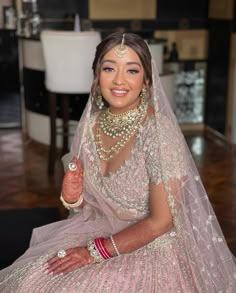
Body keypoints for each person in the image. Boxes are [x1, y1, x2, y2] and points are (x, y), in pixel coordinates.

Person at [0, 32, 235, 292]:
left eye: (132, 70)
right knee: (32, 278)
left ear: (146, 81)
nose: (119, 80)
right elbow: (89, 207)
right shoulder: (91, 124)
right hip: (95, 230)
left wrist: (93, 252)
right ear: (97, 75)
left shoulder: (158, 132)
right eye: (109, 68)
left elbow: (161, 222)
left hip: (151, 246)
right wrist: (72, 197)